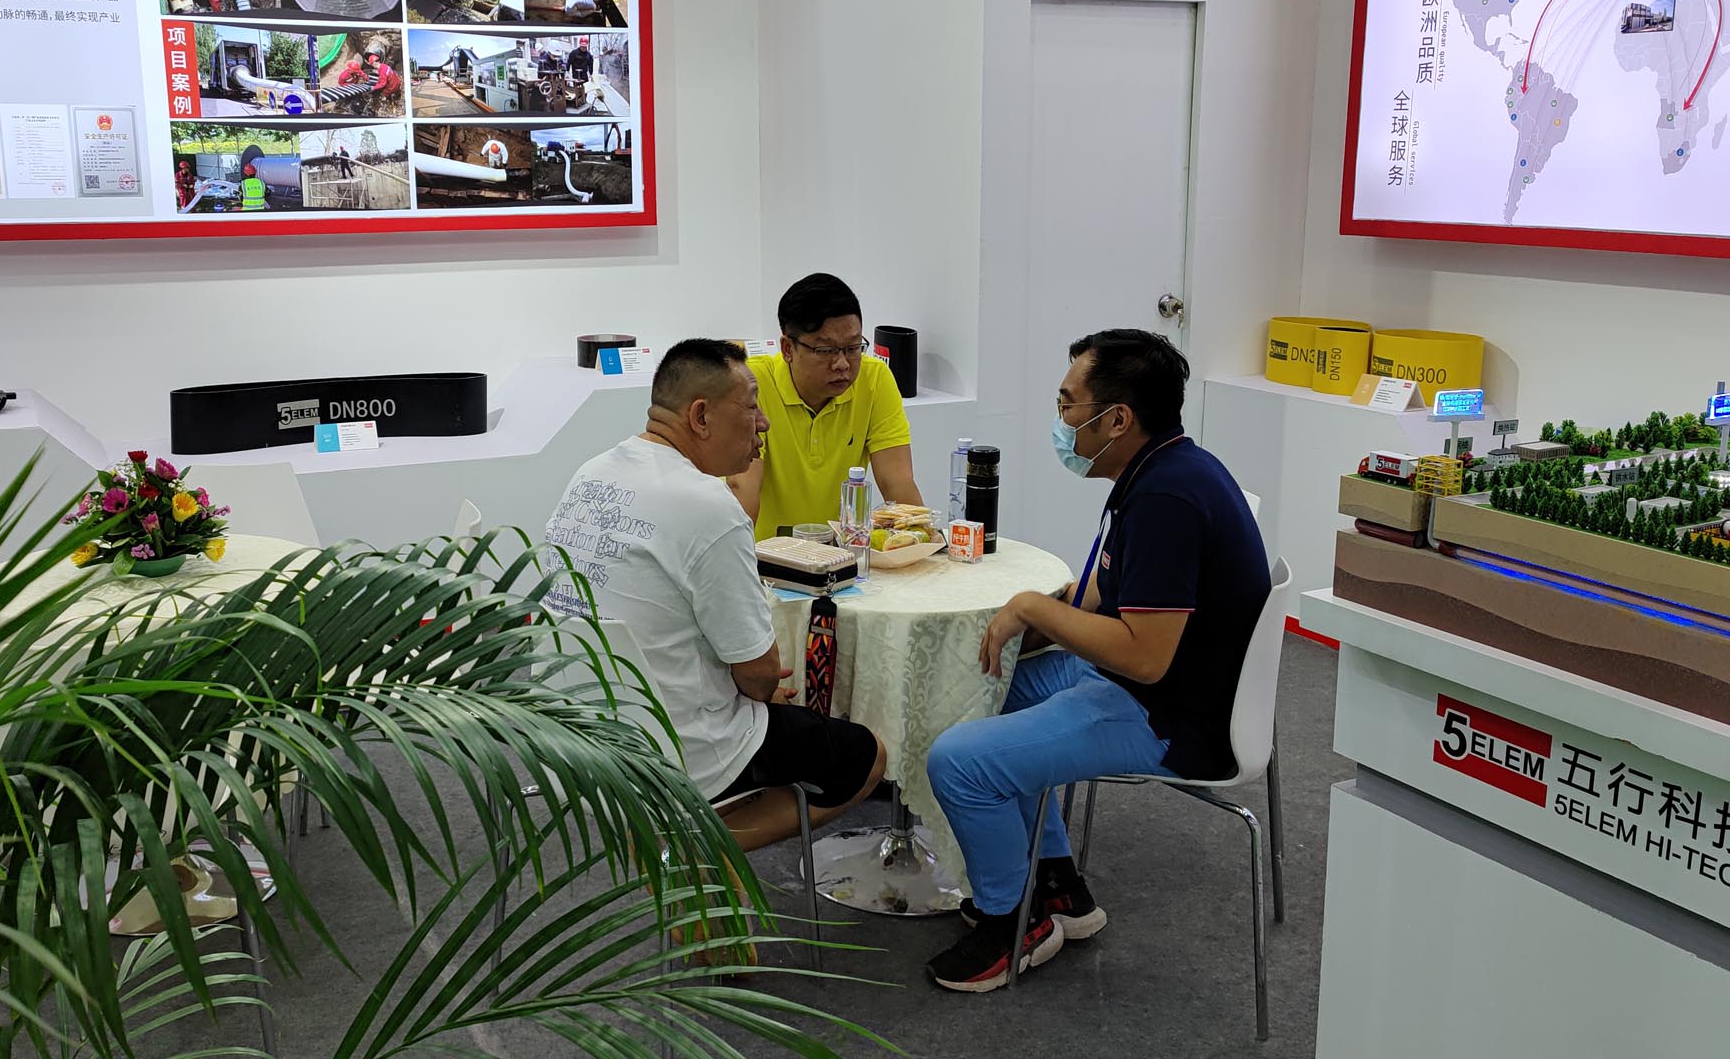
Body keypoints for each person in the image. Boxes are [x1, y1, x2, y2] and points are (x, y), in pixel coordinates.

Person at [923, 329, 1270, 993]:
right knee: (997, 686)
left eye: (1067, 404)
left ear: (1117, 419)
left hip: (1171, 715)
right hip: (1170, 687)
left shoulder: (1166, 499)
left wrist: (1032, 607)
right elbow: (1103, 593)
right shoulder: (1165, 468)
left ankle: (1012, 925)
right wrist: (1038, 619)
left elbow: (1143, 658)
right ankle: (1055, 882)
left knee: (959, 762)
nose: (1060, 421)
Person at [544, 338, 886, 851]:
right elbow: (758, 675)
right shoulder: (709, 506)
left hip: (572, 734)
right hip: (677, 749)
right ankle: (692, 847)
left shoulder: (590, 474)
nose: (763, 423)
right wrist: (763, 686)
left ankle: (679, 838)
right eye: (751, 407)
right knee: (866, 755)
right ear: (701, 416)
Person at [731, 273, 930, 540]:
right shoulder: (752, 384)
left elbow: (897, 482)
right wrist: (740, 557)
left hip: (839, 554)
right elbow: (741, 486)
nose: (842, 364)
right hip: (766, 554)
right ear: (787, 348)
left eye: (853, 348)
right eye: (826, 351)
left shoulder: (874, 379)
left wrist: (921, 539)